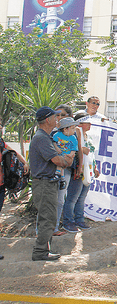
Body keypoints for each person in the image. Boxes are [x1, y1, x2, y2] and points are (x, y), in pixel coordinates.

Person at [30, 107, 74, 261]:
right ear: (47, 120)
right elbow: (57, 160)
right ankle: (40, 252)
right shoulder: (42, 138)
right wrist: (66, 160)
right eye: (55, 117)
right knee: (47, 218)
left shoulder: (45, 137)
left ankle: (43, 250)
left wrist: (64, 160)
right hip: (44, 184)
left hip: (47, 183)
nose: (58, 120)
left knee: (49, 217)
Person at [62, 112, 99, 233]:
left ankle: (79, 219)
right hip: (78, 169)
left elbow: (92, 154)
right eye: (87, 122)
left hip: (87, 170)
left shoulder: (89, 137)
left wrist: (95, 167)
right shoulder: (74, 136)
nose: (90, 124)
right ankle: (68, 221)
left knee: (81, 197)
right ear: (80, 124)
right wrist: (80, 150)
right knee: (73, 197)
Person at [0, 123, 29, 260]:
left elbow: (12, 151)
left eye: (1, 125)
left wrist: (24, 162)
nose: (0, 127)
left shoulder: (1, 142)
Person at [52, 117, 79, 234]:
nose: (74, 130)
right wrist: (57, 149)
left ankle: (55, 227)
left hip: (66, 165)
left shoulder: (73, 138)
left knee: (60, 200)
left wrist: (70, 156)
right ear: (66, 128)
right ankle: (46, 228)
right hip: (56, 165)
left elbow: (74, 150)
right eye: (72, 128)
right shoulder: (56, 135)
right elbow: (53, 144)